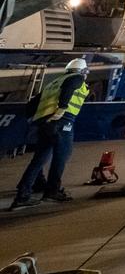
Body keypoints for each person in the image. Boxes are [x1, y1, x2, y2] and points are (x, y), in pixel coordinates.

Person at [11, 59, 90, 208]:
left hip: (44, 124)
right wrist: (62, 109)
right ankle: (52, 191)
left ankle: (23, 195)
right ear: (83, 71)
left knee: (39, 159)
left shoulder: (54, 83)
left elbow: (32, 104)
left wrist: (32, 120)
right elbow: (69, 89)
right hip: (62, 121)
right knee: (61, 156)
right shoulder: (76, 78)